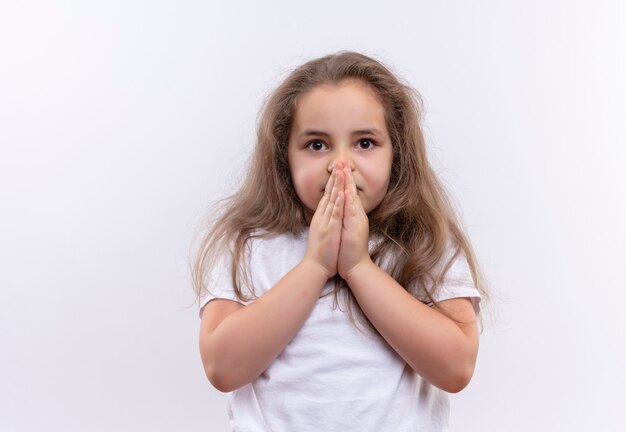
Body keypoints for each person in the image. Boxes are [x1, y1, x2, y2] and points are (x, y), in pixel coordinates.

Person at [192, 51, 489, 431]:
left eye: (365, 143)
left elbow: (455, 368)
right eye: (317, 145)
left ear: (396, 155)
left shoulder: (424, 241)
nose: (341, 164)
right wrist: (315, 265)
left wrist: (358, 267)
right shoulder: (249, 244)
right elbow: (223, 367)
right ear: (285, 158)